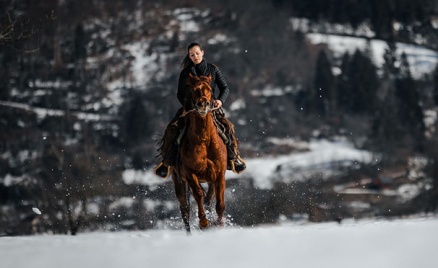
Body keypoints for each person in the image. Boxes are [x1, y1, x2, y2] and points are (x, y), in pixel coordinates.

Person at [154, 42, 246, 178]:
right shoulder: (185, 73)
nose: (195, 56)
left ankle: (233, 158)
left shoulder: (213, 69)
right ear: (189, 57)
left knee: (228, 127)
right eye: (192, 55)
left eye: (197, 53)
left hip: (212, 108)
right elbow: (180, 93)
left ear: (202, 52)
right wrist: (188, 106)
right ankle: (167, 162)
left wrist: (220, 101)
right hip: (190, 109)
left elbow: (224, 87)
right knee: (172, 129)